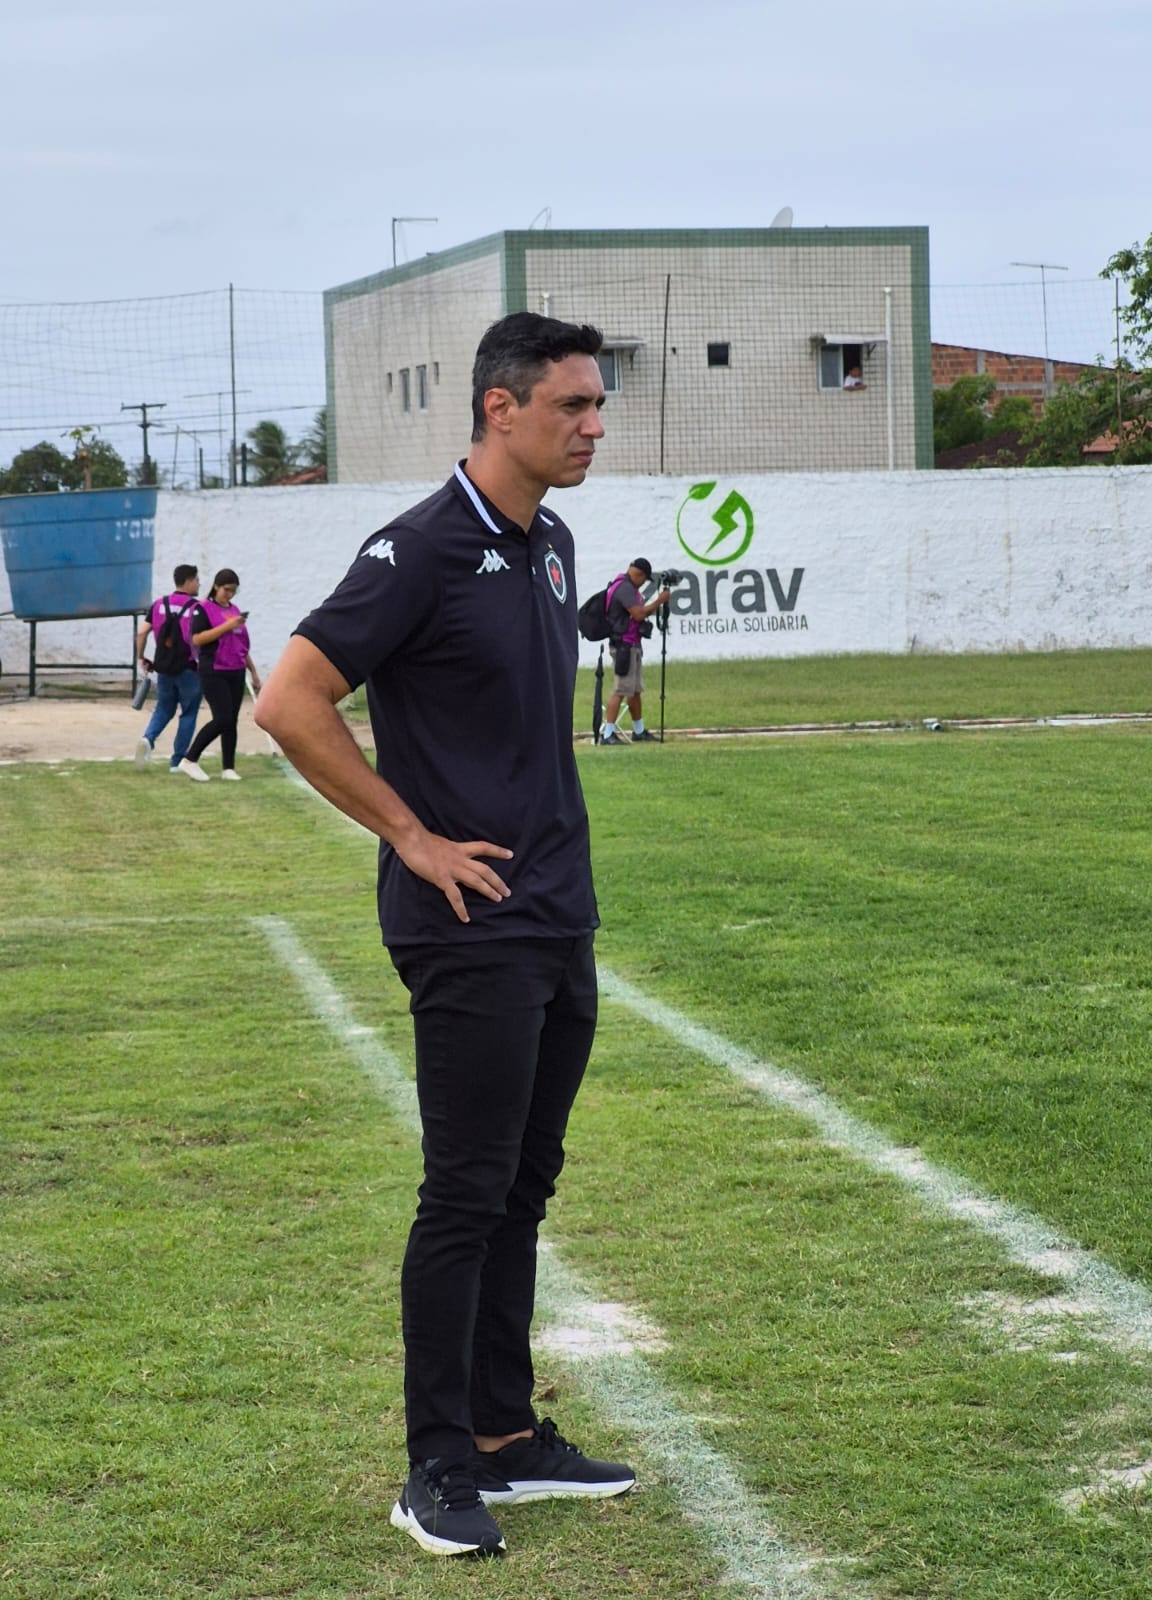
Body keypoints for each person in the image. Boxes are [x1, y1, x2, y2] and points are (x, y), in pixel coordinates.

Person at [254, 311, 636, 1560]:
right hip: (467, 927)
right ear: (498, 409)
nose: (592, 426)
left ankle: (503, 1437)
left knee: (525, 1183)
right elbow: (291, 699)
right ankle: (433, 1467)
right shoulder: (416, 548)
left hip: (556, 914)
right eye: (572, 405)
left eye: (595, 404)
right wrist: (411, 836)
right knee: (465, 1191)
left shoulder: (557, 545)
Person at [177, 569, 260, 783]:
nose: (229, 595)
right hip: (214, 670)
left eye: (233, 591)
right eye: (226, 590)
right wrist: (227, 626)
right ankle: (189, 759)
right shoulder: (202, 610)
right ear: (216, 586)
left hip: (236, 669)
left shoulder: (234, 611)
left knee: (231, 720)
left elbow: (240, 644)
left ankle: (228, 767)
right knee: (222, 718)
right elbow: (197, 639)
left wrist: (253, 671)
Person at [134, 563, 203, 772]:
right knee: (189, 712)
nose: (199, 584)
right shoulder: (196, 607)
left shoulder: (158, 605)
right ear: (189, 581)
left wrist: (141, 657)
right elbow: (198, 640)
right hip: (189, 667)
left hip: (163, 666)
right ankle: (177, 761)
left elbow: (142, 633)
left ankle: (148, 738)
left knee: (164, 708)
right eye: (197, 580)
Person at [599, 559, 671, 745]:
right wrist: (659, 601)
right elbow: (639, 614)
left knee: (634, 690)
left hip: (631, 644)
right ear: (639, 574)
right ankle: (608, 734)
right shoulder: (624, 588)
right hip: (624, 646)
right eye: (644, 580)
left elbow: (637, 614)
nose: (643, 584)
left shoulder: (626, 586)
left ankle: (638, 730)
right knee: (621, 689)